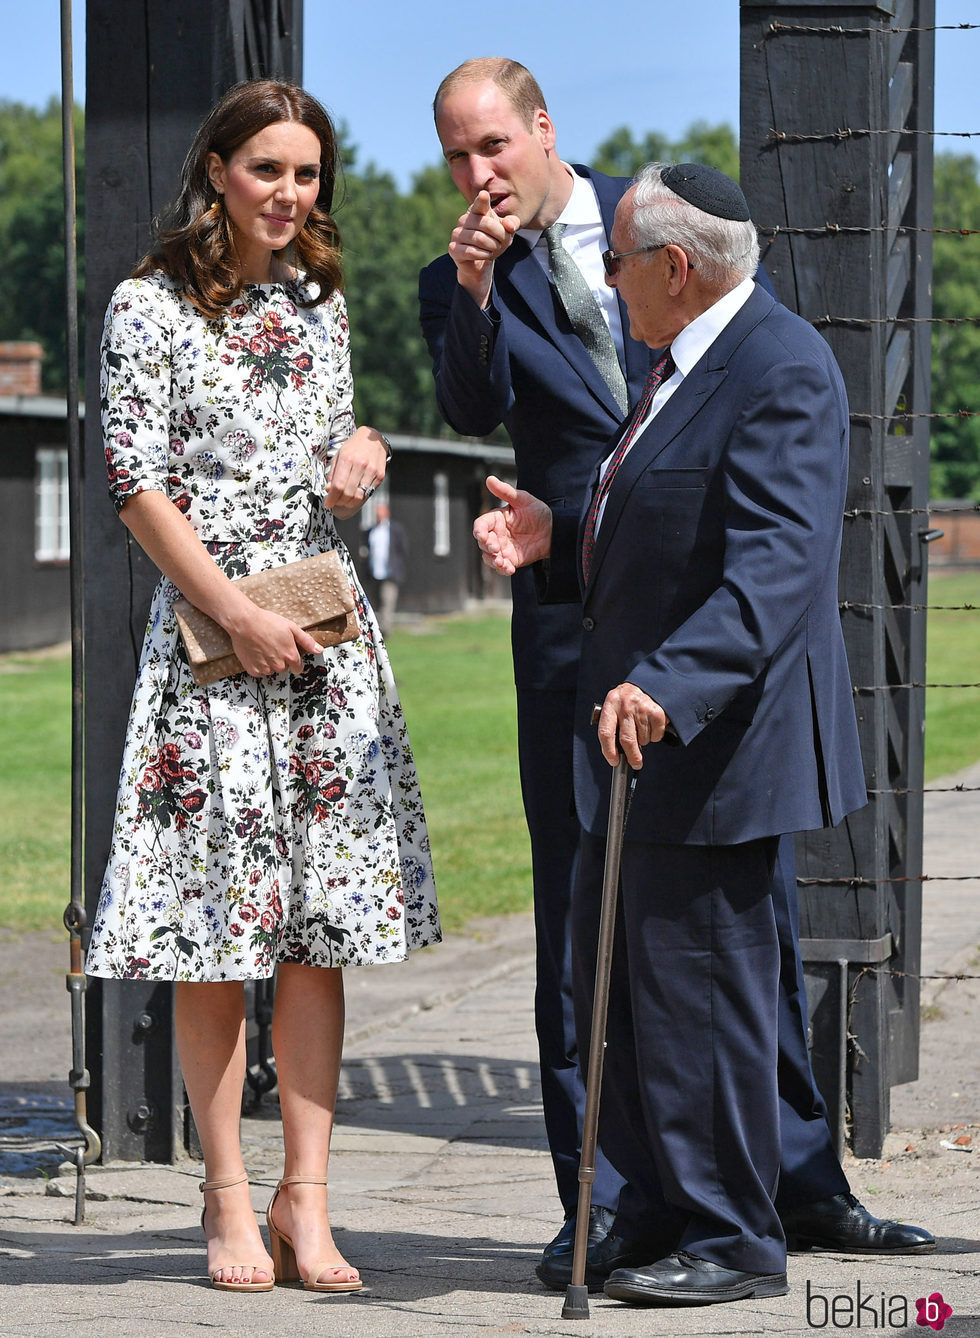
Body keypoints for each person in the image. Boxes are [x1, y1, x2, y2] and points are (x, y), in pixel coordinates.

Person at [419, 58, 934, 1289]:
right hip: (583, 635)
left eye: (493, 144)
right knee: (600, 942)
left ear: (544, 131)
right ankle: (617, 1199)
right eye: (455, 158)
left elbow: (759, 543)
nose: (477, 175)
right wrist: (556, 522)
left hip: (700, 675)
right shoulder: (482, 285)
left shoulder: (711, 296)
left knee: (723, 947)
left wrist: (670, 662)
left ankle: (767, 1200)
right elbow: (488, 410)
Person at [85, 79, 440, 1294]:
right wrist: (230, 611)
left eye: (308, 175)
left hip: (324, 642)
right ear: (218, 171)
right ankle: (226, 1200)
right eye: (268, 169)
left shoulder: (322, 304)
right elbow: (134, 482)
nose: (290, 194)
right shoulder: (149, 305)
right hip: (210, 651)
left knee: (313, 937)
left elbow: (330, 465)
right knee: (209, 936)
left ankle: (308, 1202)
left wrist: (364, 453)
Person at [366, 501, 409, 633]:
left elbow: (404, 549)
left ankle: (385, 630)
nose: (378, 515)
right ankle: (376, 629)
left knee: (387, 601)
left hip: (390, 572)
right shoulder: (371, 531)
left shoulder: (395, 530)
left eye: (381, 513)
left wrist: (397, 566)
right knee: (375, 602)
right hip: (374, 572)